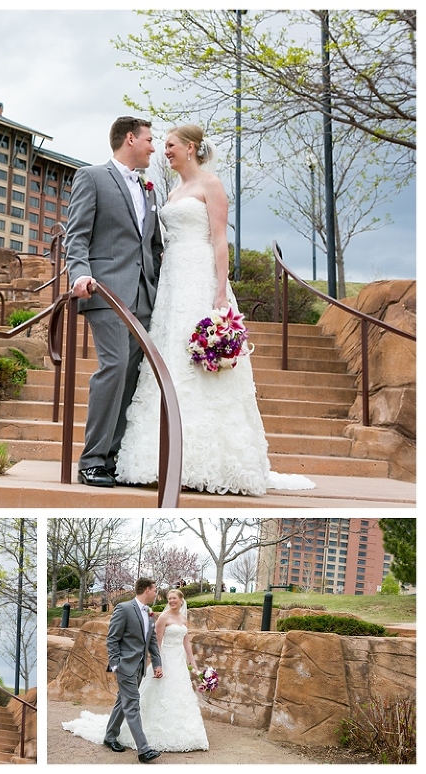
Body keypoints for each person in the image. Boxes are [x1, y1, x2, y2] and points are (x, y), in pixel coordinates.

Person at [115, 124, 315, 496]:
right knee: (170, 357)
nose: (165, 151)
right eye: (163, 145)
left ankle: (209, 461)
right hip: (173, 282)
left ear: (190, 148)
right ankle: (157, 456)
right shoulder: (172, 191)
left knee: (200, 365)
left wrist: (220, 292)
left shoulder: (212, 185)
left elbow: (220, 239)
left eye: (171, 145)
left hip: (202, 278)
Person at [65, 116, 164, 488]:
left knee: (133, 374)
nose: (153, 147)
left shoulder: (149, 190)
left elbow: (153, 247)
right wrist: (79, 275)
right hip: (105, 291)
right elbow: (77, 235)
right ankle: (92, 460)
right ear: (130, 139)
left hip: (143, 297)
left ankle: (112, 459)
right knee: (115, 366)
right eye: (149, 139)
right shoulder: (92, 177)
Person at [61, 588, 209, 754]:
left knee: (179, 697)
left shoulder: (183, 618)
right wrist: (158, 664)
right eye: (170, 598)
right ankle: (138, 742)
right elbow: (156, 643)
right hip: (164, 661)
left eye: (175, 598)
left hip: (179, 663)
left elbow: (186, 642)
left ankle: (181, 734)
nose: (172, 601)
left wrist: (194, 666)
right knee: (142, 698)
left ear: (181, 600)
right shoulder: (163, 617)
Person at [63, 578, 163, 763]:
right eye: (155, 590)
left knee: (123, 702)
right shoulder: (124, 609)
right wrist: (116, 665)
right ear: (147, 590)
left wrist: (157, 663)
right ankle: (144, 749)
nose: (156, 593)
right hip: (125, 666)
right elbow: (112, 638)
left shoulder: (149, 612)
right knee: (132, 703)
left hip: (140, 667)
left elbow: (152, 640)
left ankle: (110, 736)